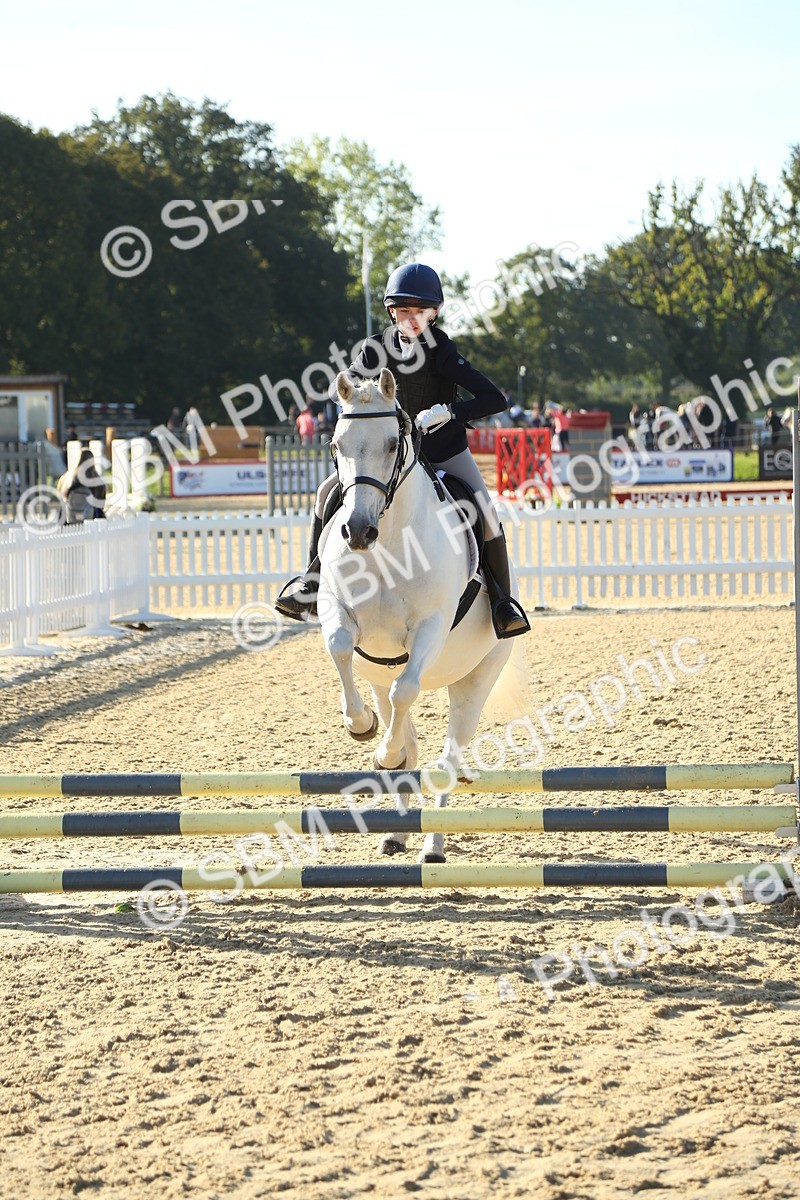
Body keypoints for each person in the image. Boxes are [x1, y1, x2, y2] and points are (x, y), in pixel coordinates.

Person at [275, 262, 530, 638]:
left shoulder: (443, 350)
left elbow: (495, 399)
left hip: (441, 449)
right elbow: (351, 382)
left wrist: (451, 411)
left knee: (486, 511)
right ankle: (311, 583)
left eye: (421, 312)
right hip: (387, 454)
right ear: (391, 311)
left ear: (435, 312)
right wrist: (349, 390)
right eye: (404, 311)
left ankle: (502, 603)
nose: (412, 320)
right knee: (325, 492)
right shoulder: (376, 348)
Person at [57, 448, 107, 524]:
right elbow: (101, 504)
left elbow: (60, 497)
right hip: (91, 520)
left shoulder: (66, 478)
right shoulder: (97, 481)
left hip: (69, 518)